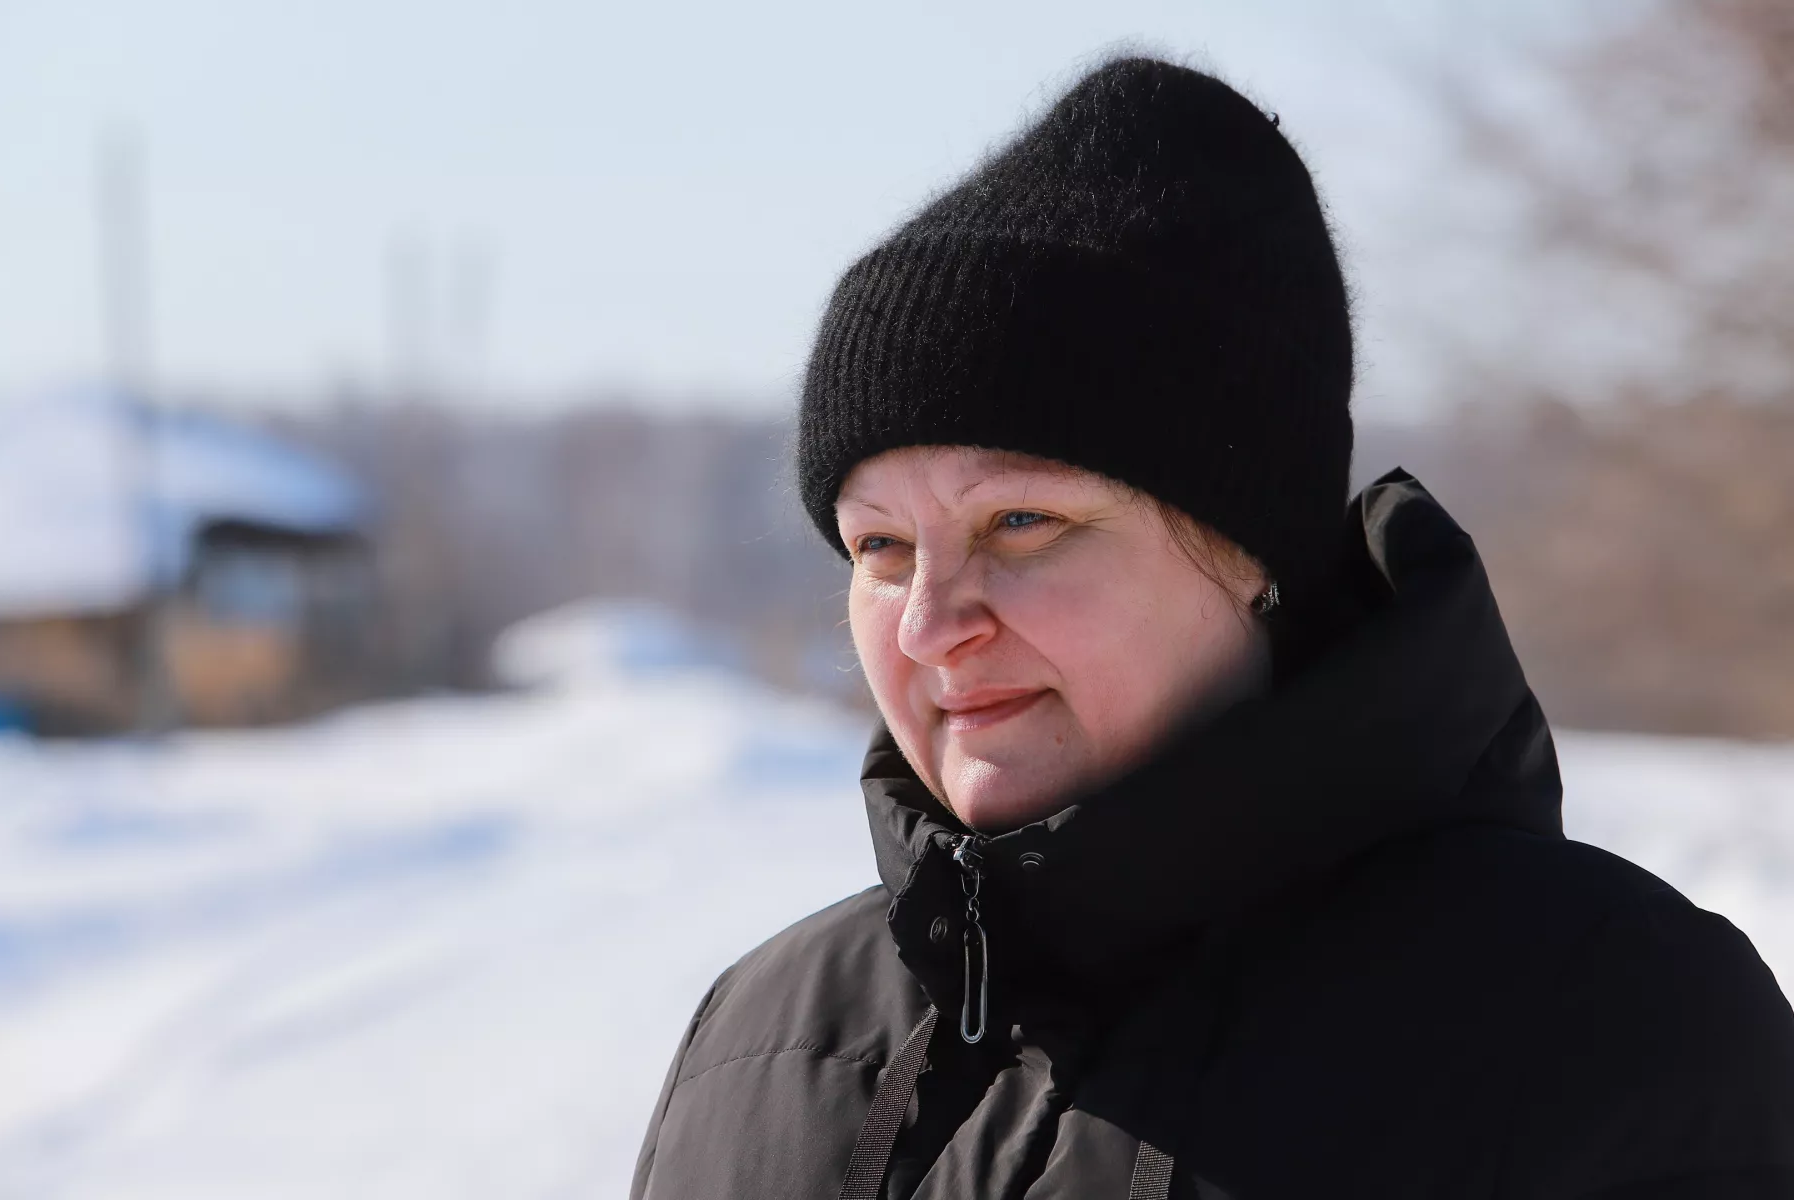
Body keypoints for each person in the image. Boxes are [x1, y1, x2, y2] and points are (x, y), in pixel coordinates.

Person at [629, 56, 1794, 1199]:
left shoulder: (1609, 1029)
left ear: (1255, 559)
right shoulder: (757, 1043)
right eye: (881, 547)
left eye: (1023, 522)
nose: (931, 625)